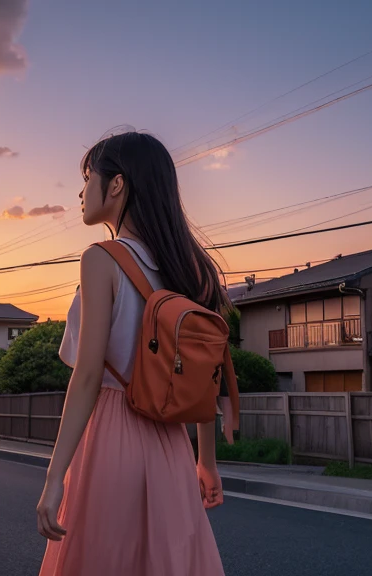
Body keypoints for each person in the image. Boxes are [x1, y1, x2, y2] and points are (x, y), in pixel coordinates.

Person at [37, 131, 228, 575]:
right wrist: (207, 462)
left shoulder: (101, 259)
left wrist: (53, 479)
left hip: (111, 436)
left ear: (117, 185)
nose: (82, 192)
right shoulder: (190, 268)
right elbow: (202, 376)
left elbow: (86, 378)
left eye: (88, 179)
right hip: (171, 445)